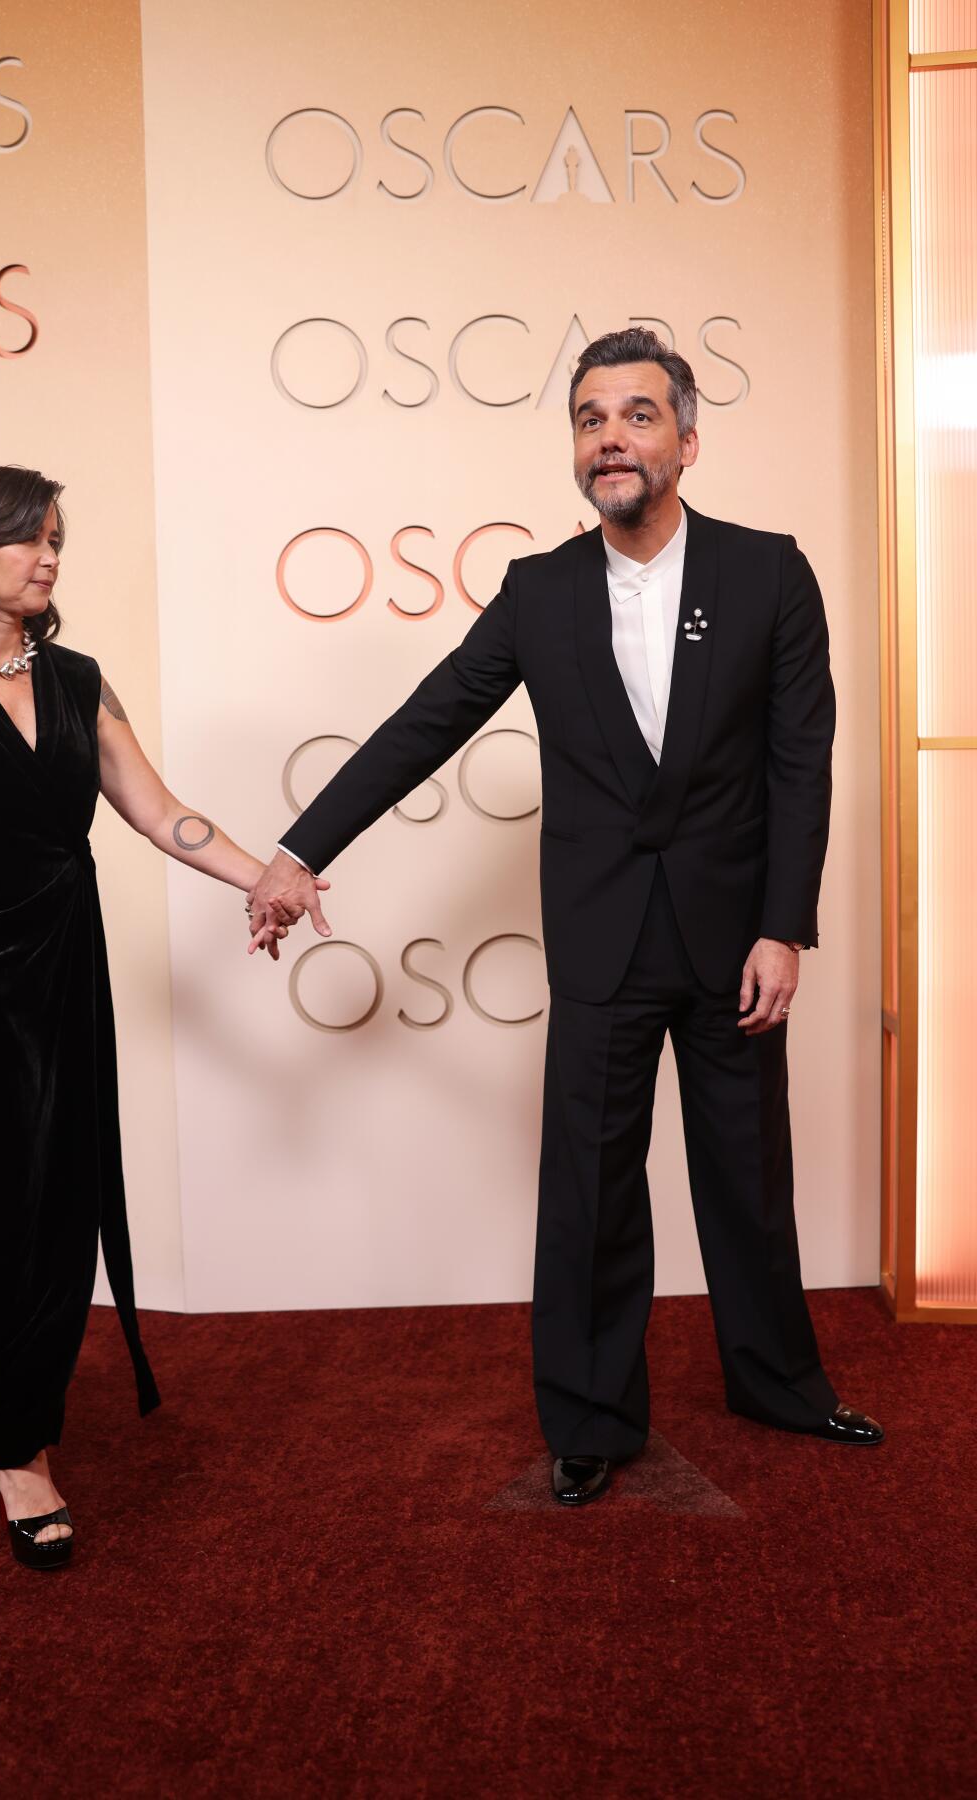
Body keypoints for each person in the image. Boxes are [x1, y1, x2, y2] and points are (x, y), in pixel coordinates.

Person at [247, 327, 882, 1507]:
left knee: (748, 1175)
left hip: (736, 937)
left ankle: (781, 1384)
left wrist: (784, 926)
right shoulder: (538, 591)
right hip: (601, 935)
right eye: (591, 420)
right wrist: (300, 851)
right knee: (589, 1186)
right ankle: (590, 1417)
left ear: (687, 440)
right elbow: (428, 719)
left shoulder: (768, 573)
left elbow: (803, 761)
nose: (611, 439)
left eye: (638, 415)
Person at [0, 465, 303, 1568]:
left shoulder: (79, 681)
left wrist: (266, 876)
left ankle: (20, 1415)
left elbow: (160, 813)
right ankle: (16, 1438)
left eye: (57, 540)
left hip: (61, 967)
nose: (49, 558)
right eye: (28, 539)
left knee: (61, 1201)